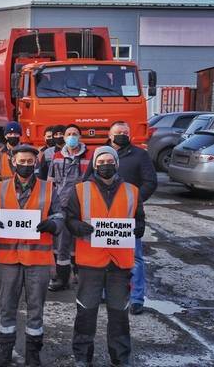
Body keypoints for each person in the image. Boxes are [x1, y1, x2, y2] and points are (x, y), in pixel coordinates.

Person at [65, 146, 145, 367]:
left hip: (119, 264)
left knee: (119, 314)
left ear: (117, 164)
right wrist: (78, 227)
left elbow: (139, 220)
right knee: (86, 312)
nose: (105, 165)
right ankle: (82, 357)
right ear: (94, 165)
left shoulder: (132, 191)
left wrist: (138, 229)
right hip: (90, 262)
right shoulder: (80, 190)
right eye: (101, 161)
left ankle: (120, 358)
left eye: (110, 161)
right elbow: (69, 219)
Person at [0, 144, 62, 367]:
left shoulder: (49, 189)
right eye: (22, 161)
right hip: (9, 259)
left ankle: (32, 353)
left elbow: (59, 215)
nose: (26, 165)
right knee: (7, 306)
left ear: (36, 163)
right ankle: (5, 350)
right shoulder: (1, 188)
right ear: (13, 162)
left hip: (37, 260)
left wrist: (53, 224)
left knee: (36, 309)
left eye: (30, 162)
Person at [86, 121, 157, 315]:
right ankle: (101, 292)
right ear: (110, 134)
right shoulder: (100, 154)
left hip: (129, 216)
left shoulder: (140, 155)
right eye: (118, 132)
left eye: (126, 132)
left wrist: (133, 201)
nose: (122, 135)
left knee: (135, 258)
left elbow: (150, 182)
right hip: (102, 217)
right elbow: (86, 182)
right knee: (103, 254)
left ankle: (136, 298)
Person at [47, 124, 93, 292]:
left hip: (82, 206)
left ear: (80, 137)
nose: (72, 136)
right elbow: (51, 182)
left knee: (81, 243)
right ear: (65, 137)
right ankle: (62, 278)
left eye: (75, 134)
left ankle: (81, 276)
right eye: (69, 134)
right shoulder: (57, 156)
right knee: (62, 244)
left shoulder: (90, 156)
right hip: (61, 205)